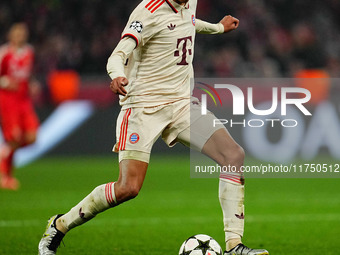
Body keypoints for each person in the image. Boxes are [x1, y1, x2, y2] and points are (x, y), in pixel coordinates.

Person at [38, 0, 269, 254]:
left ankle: (234, 246)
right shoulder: (147, 12)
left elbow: (188, 23)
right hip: (143, 107)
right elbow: (118, 54)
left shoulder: (189, 2)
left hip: (181, 104)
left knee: (233, 155)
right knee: (128, 188)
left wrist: (216, 28)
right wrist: (116, 75)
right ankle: (60, 225)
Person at [0, 23, 40, 190]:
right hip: (8, 100)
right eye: (17, 33)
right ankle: (4, 176)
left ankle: (4, 151)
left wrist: (32, 84)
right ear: (10, 35)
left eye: (22, 33)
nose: (20, 36)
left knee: (32, 137)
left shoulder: (29, 52)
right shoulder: (4, 53)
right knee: (14, 138)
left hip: (24, 101)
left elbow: (28, 74)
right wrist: (4, 81)